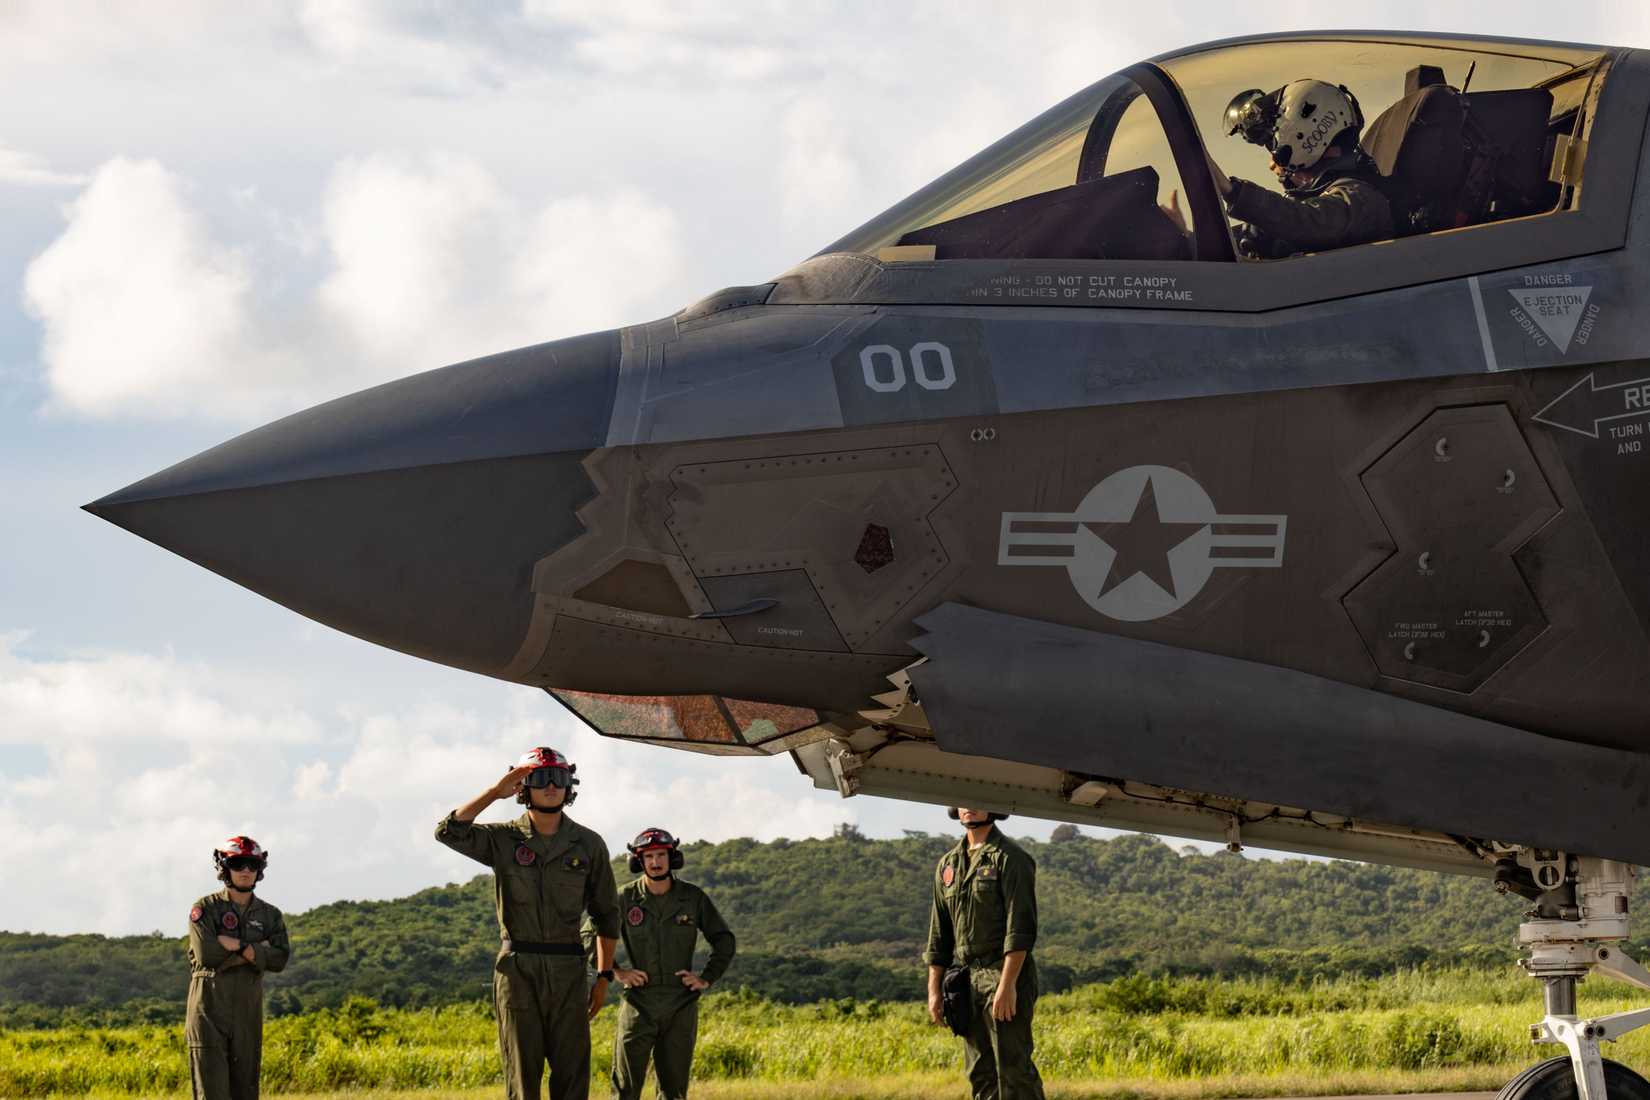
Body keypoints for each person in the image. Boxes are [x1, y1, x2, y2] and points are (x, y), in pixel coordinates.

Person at [436, 747, 621, 1100]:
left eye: (560, 777)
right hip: (517, 971)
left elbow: (606, 916)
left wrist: (603, 977)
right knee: (523, 1078)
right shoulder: (503, 839)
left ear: (570, 785)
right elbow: (449, 832)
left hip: (569, 969)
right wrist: (494, 792)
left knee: (572, 1079)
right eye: (539, 778)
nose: (551, 785)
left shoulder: (589, 844)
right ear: (523, 787)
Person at [592, 827, 735, 1100]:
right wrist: (617, 970)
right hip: (638, 1004)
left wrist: (706, 977)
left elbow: (724, 939)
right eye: (648, 856)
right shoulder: (623, 898)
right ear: (638, 861)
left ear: (673, 858)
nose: (655, 862)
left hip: (680, 1003)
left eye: (660, 855)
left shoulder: (692, 898)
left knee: (674, 1092)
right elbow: (590, 937)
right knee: (625, 1090)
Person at [924, 807, 1045, 1100]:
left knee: (1013, 1069)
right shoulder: (948, 865)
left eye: (977, 799)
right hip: (967, 979)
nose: (969, 805)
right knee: (979, 1071)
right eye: (962, 800)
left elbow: (1020, 928)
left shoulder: (1011, 858)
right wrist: (934, 990)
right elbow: (939, 935)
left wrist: (1007, 985)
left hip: (1002, 971)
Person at [1210, 79, 1393, 258]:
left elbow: (1307, 222)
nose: (1272, 162)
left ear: (1307, 129)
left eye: (1273, 144)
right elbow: (1254, 234)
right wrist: (1187, 243)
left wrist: (1233, 191)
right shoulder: (1318, 197)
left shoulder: (1361, 198)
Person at [185, 835, 290, 1100]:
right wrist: (257, 952)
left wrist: (239, 947)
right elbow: (207, 954)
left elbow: (280, 959)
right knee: (212, 1094)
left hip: (247, 1012)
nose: (245, 870)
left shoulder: (270, 915)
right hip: (209, 1011)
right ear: (224, 867)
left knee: (246, 1092)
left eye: (252, 865)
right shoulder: (205, 909)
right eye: (238, 863)